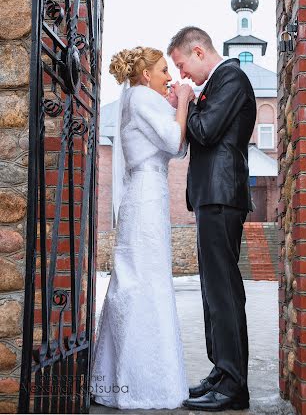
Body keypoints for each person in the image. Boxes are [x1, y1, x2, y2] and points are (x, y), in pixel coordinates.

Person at [90, 46, 194, 410]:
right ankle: (142, 385)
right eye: (164, 70)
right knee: (146, 283)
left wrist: (174, 107)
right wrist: (182, 100)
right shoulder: (140, 97)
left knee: (140, 280)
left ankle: (120, 379)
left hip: (147, 195)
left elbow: (176, 150)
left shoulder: (137, 101)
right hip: (147, 198)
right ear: (146, 74)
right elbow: (172, 140)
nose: (169, 76)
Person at [168, 26, 257, 412]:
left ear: (200, 52)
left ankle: (235, 386)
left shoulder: (231, 77)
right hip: (211, 197)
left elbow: (203, 132)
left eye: (182, 65)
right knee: (211, 291)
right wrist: (186, 101)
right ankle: (221, 372)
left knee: (223, 292)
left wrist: (185, 103)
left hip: (223, 196)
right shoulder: (217, 84)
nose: (182, 75)